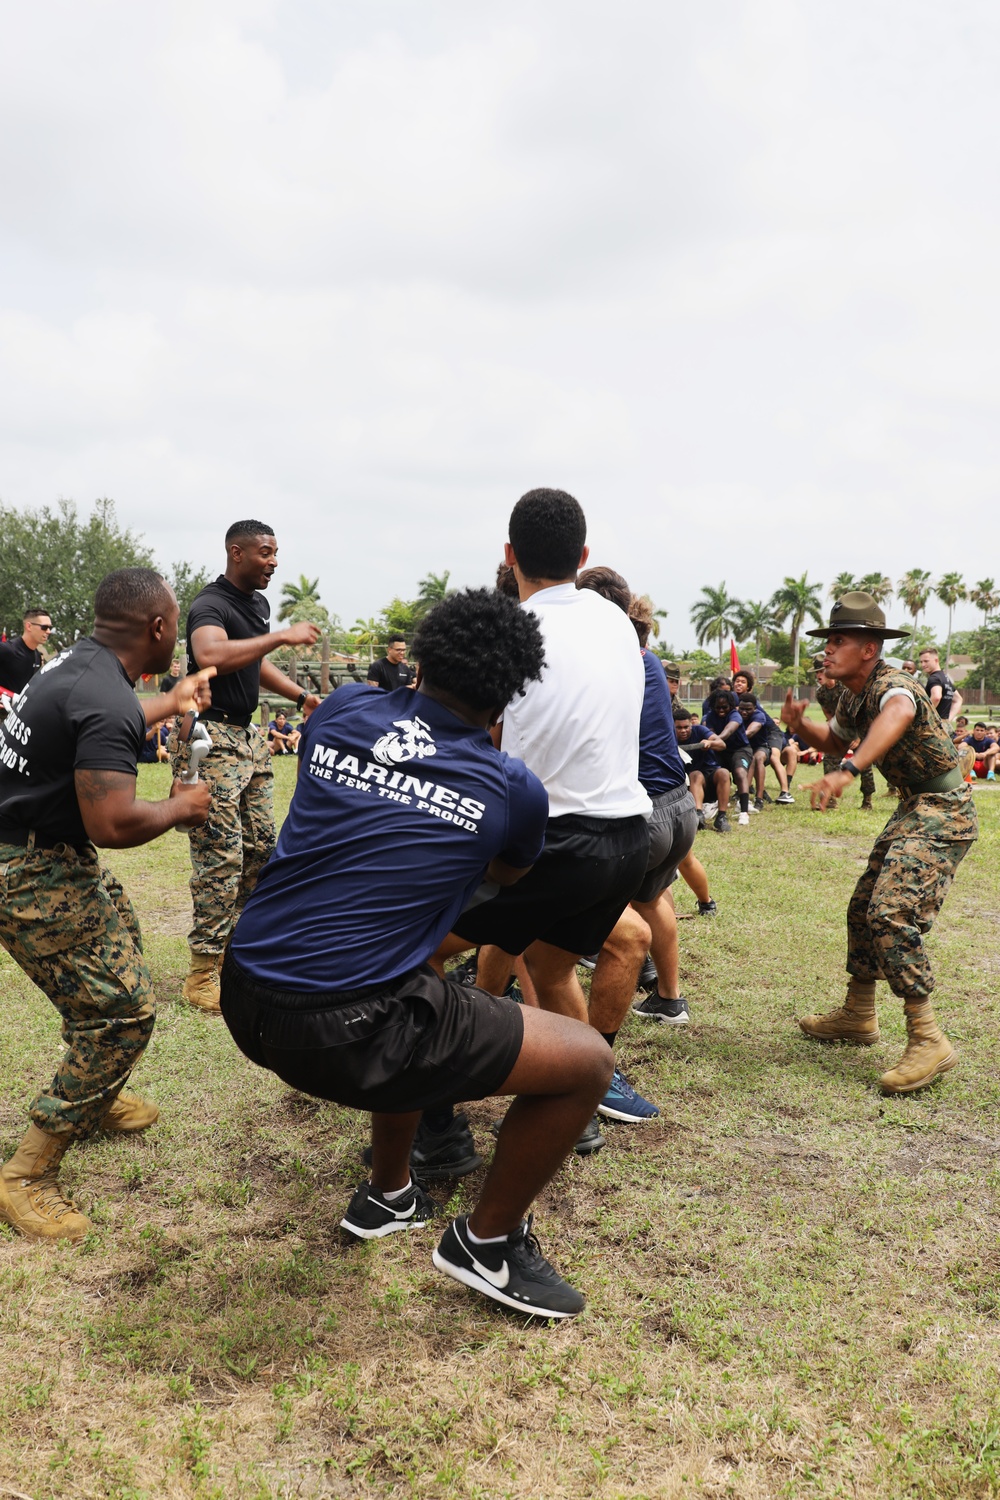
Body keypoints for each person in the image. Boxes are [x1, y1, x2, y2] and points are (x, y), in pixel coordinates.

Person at [221, 588, 612, 1320]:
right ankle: (486, 1244)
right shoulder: (511, 790)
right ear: (512, 697)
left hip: (244, 995)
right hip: (348, 1031)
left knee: (420, 980)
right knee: (587, 1061)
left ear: (421, 660)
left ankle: (390, 1191)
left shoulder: (339, 710)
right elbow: (505, 873)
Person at [0, 569, 213, 1240]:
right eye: (173, 624)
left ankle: (98, 1096)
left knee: (119, 931)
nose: (175, 635)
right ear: (157, 629)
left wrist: (172, 700)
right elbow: (113, 825)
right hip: (28, 867)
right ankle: (26, 1177)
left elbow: (101, 719)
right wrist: (182, 805)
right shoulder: (104, 694)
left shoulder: (81, 667)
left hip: (39, 849)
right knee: (120, 1014)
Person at [442, 490, 652, 1154]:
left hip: (557, 835)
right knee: (551, 965)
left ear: (509, 556)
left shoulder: (512, 628)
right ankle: (578, 1105)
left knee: (413, 952)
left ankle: (431, 1126)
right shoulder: (618, 621)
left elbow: (474, 734)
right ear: (583, 557)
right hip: (628, 835)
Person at [782, 592, 977, 1094]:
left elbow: (898, 716)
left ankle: (928, 1037)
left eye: (839, 641)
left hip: (945, 807)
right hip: (914, 806)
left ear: (869, 648)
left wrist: (849, 771)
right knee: (862, 905)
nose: (828, 650)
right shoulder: (853, 694)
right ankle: (859, 1013)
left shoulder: (896, 685)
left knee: (890, 911)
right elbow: (835, 737)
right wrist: (801, 725)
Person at [172, 521, 321, 1013]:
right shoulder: (210, 605)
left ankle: (242, 953)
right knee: (221, 855)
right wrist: (279, 637)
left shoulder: (256, 606)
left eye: (276, 553)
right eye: (264, 553)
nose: (274, 561)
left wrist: (302, 696)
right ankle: (201, 972)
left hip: (249, 738)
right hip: (210, 738)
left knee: (261, 849)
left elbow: (253, 664)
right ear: (236, 553)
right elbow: (210, 653)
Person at [574, 572, 698, 1032]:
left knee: (564, 905)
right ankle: (669, 998)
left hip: (640, 813)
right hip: (680, 804)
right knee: (654, 897)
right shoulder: (649, 659)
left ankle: (584, 1032)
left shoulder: (605, 664)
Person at [814, 654, 876, 810]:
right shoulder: (821, 693)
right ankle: (831, 799)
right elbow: (828, 714)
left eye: (821, 671)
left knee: (864, 765)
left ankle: (867, 800)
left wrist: (857, 736)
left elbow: (861, 711)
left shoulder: (846, 688)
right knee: (829, 759)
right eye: (816, 672)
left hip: (858, 729)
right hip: (840, 731)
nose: (818, 675)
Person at [703, 689, 753, 825]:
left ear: (730, 706)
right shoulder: (710, 717)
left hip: (740, 749)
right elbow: (708, 732)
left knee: (739, 772)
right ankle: (712, 802)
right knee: (712, 772)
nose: (721, 710)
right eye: (717, 707)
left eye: (724, 707)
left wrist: (715, 741)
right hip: (720, 751)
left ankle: (743, 811)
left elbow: (729, 731)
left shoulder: (735, 715)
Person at [738, 693, 795, 808]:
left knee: (770, 757)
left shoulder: (759, 715)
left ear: (755, 708)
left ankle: (783, 792)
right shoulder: (736, 711)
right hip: (750, 745)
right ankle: (745, 796)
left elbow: (750, 732)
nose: (744, 712)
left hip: (768, 740)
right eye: (741, 709)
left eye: (748, 709)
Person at [0, 608, 52, 702]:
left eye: (50, 628)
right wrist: (9, 695)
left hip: (17, 714)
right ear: (29, 626)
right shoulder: (7, 649)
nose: (48, 631)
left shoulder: (37, 656)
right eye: (44, 627)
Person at [919, 649, 963, 721]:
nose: (923, 665)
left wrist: (923, 717)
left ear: (936, 660)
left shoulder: (934, 678)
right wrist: (948, 720)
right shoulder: (945, 678)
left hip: (933, 726)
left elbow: (936, 697)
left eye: (926, 661)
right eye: (921, 662)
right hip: (943, 726)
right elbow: (958, 700)